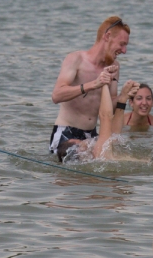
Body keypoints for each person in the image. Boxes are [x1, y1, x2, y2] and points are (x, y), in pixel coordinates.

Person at [50, 16, 130, 158]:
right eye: (122, 44)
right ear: (107, 36)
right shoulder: (76, 59)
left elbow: (108, 108)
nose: (124, 51)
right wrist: (92, 84)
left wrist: (124, 96)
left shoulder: (115, 66)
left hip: (92, 135)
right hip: (66, 132)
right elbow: (56, 95)